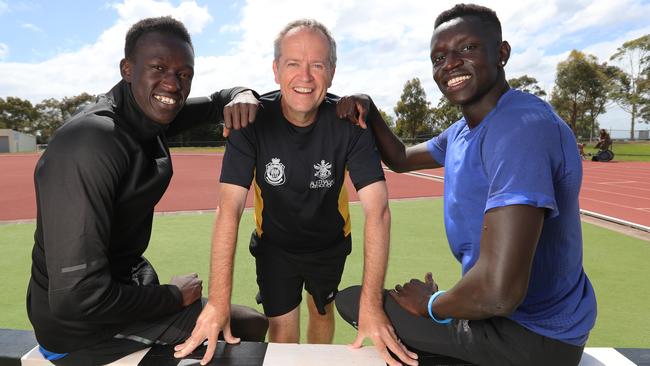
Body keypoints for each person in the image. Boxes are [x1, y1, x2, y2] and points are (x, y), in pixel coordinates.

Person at [335, 4, 597, 366]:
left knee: (355, 303)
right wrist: (370, 107)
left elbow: (499, 294)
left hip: (533, 339)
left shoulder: (521, 129)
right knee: (367, 305)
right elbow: (399, 159)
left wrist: (431, 304)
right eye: (439, 57)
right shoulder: (462, 131)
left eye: (467, 49)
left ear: (502, 53)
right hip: (498, 319)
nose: (451, 63)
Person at [173, 19, 418, 366]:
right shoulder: (250, 123)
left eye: (317, 65)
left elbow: (377, 210)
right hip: (276, 246)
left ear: (331, 72)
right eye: (292, 64)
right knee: (283, 334)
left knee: (321, 315)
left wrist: (371, 306)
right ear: (275, 70)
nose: (305, 77)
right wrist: (218, 303)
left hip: (329, 244)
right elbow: (228, 210)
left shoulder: (352, 124)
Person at [27, 16, 267, 365]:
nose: (172, 84)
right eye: (158, 68)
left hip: (122, 285)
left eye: (184, 74)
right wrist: (172, 296)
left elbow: (220, 101)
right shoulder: (89, 142)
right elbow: (77, 298)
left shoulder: (149, 115)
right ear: (128, 69)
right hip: (81, 330)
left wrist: (244, 95)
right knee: (248, 323)